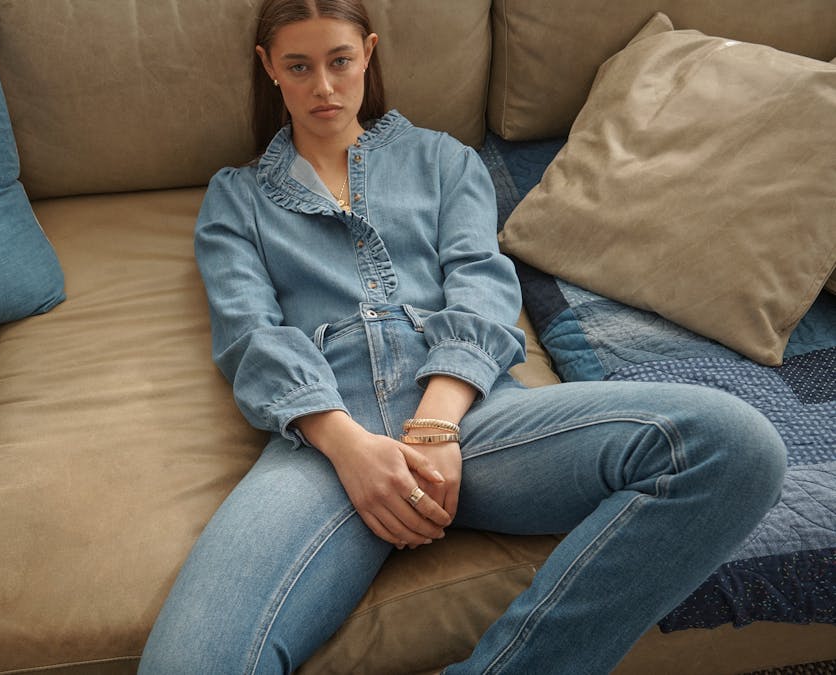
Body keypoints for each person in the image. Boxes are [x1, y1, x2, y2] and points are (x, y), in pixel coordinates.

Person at [138, 1, 787, 672]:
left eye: (340, 62)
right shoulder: (236, 197)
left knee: (735, 445)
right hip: (325, 444)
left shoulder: (443, 159)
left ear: (369, 52)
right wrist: (350, 447)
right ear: (268, 68)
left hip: (474, 418)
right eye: (299, 67)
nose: (324, 88)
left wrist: (436, 425)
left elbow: (481, 285)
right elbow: (249, 334)